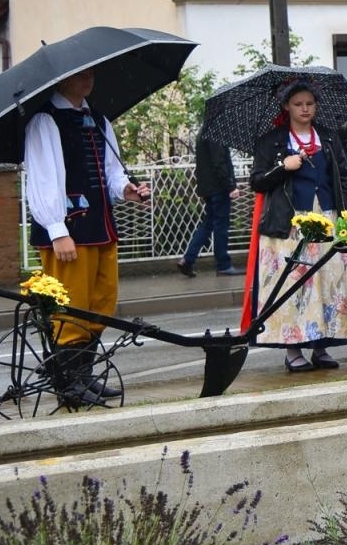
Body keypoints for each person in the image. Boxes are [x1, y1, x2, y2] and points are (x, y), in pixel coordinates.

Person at [24, 68, 150, 405]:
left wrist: (126, 190)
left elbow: (111, 172)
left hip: (100, 226)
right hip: (68, 230)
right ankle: (68, 382)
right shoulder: (46, 120)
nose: (89, 79)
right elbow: (43, 179)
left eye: (91, 73)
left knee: (101, 301)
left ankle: (84, 375)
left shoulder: (98, 119)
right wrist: (56, 229)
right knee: (70, 305)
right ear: (61, 79)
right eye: (80, 74)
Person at [248, 81, 347, 373]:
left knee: (328, 281)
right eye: (298, 104)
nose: (305, 109)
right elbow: (257, 181)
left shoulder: (328, 137)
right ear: (286, 106)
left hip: (327, 217)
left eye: (310, 103)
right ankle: (293, 350)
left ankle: (321, 346)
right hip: (289, 224)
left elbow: (344, 177)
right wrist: (283, 167)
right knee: (293, 284)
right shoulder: (272, 141)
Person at [177, 126, 240, 279]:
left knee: (209, 224)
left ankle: (188, 259)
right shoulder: (215, 132)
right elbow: (219, 162)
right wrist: (230, 185)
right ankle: (223, 265)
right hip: (219, 187)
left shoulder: (204, 131)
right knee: (221, 226)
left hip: (209, 187)